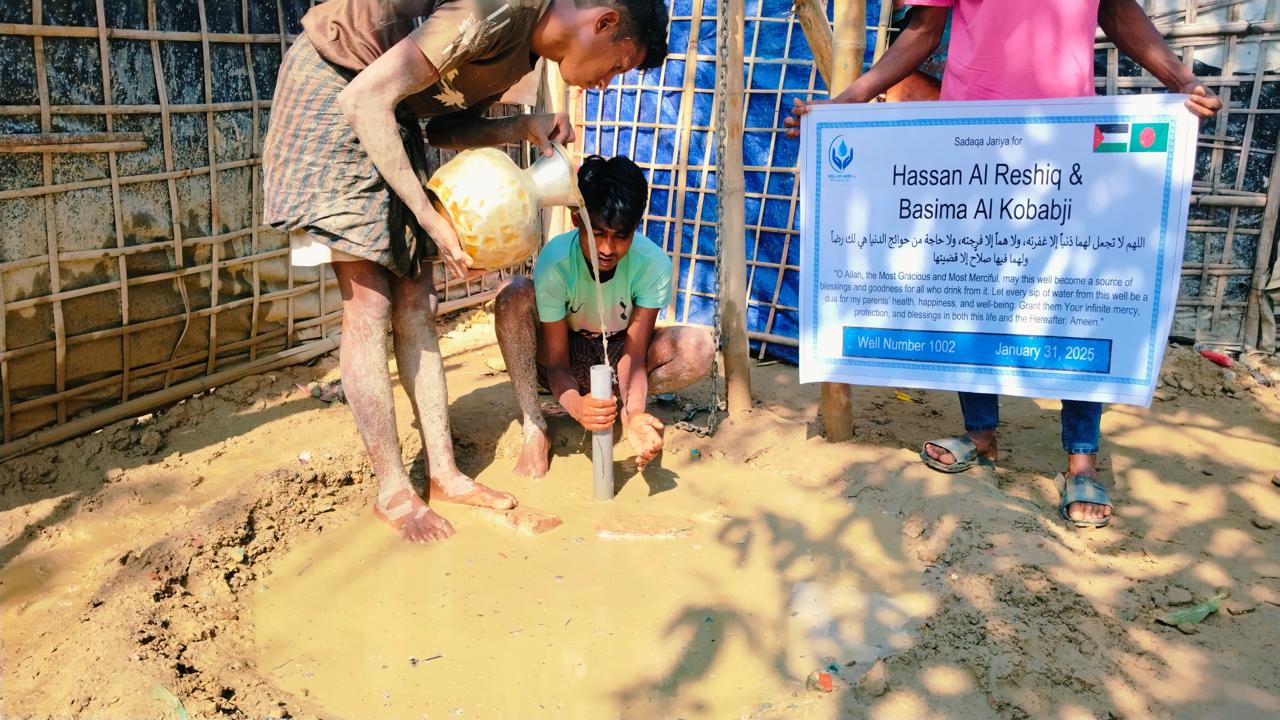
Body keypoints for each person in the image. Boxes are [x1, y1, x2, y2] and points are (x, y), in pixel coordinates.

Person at [784, 0, 1222, 528]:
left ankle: (1081, 457)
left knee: (1075, 296)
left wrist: (1179, 79)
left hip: (1067, 136)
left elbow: (1118, 12)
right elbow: (924, 31)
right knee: (973, 281)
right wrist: (848, 101)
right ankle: (980, 433)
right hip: (972, 130)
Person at [262, 0, 670, 543]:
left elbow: (438, 127)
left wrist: (520, 125)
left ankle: (445, 475)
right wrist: (431, 219)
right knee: (370, 304)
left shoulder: (520, 54)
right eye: (617, 66)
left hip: (393, 113)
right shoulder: (494, 11)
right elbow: (363, 99)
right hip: (339, 89)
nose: (606, 83)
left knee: (416, 304)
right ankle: (393, 491)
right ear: (604, 21)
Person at [494, 155, 714, 478]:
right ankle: (535, 428)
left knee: (699, 347)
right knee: (511, 298)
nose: (608, 248)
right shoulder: (555, 263)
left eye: (620, 236)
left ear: (636, 227)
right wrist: (575, 405)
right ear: (576, 220)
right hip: (566, 354)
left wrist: (634, 413)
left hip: (618, 354)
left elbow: (635, 357)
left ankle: (620, 404)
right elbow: (556, 364)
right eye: (597, 233)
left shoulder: (653, 265)